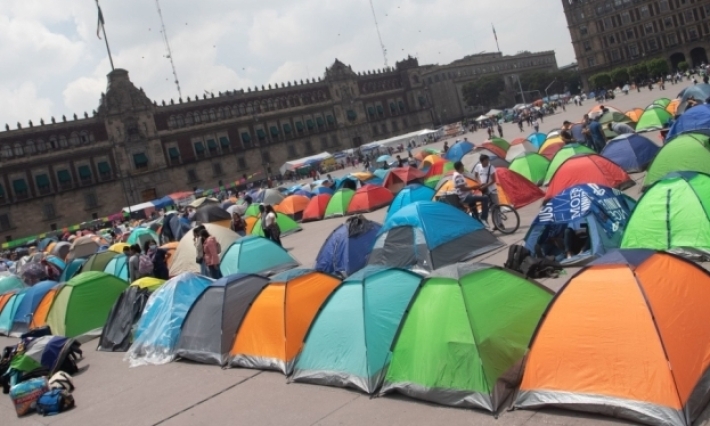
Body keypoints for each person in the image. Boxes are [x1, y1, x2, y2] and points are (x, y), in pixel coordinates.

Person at [453, 161, 489, 227]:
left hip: (467, 195)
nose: (463, 166)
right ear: (460, 167)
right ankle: (483, 218)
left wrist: (476, 187)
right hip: (465, 197)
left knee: (475, 211)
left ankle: (479, 223)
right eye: (462, 165)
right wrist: (473, 187)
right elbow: (462, 188)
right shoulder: (458, 176)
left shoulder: (459, 174)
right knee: (485, 198)